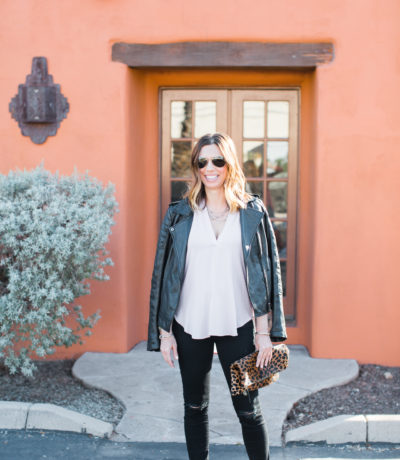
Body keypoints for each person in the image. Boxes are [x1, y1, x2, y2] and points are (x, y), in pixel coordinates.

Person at [147, 132, 287, 460]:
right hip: (189, 325)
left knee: (249, 412)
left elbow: (266, 274)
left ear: (229, 164)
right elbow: (163, 275)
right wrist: (165, 333)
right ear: (196, 167)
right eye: (202, 161)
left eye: (218, 161)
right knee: (195, 407)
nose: (210, 168)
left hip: (238, 325)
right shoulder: (179, 214)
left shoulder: (252, 212)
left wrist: (264, 334)